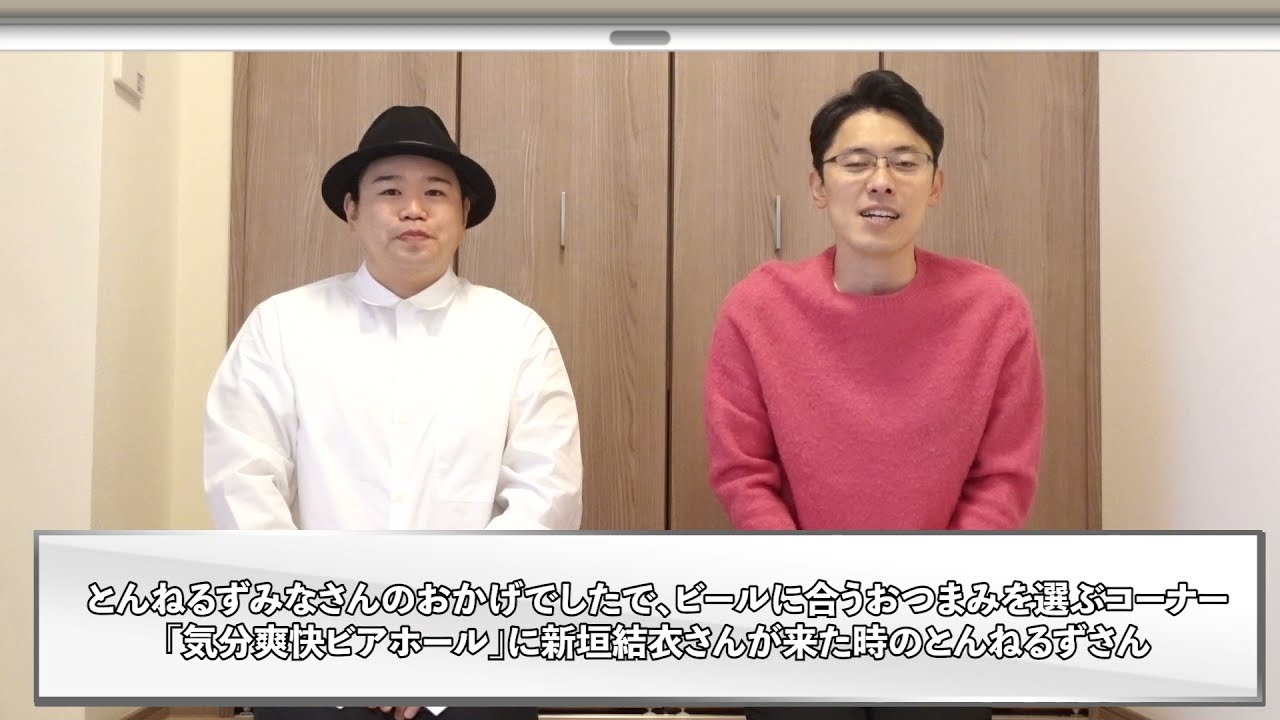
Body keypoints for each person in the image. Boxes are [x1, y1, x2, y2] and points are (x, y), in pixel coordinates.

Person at [205, 105, 583, 720]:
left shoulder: (517, 334)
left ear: (464, 213)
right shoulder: (281, 326)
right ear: (352, 209)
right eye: (389, 191)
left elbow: (548, 498)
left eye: (435, 192)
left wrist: (442, 641)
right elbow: (242, 486)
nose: (413, 209)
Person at [703, 70, 1046, 720]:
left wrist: (930, 600)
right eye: (856, 162)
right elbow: (744, 474)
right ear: (818, 185)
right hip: (795, 610)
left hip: (943, 615)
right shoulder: (758, 307)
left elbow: (1003, 479)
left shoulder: (994, 309)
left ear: (936, 185)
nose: (880, 181)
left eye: (905, 163)